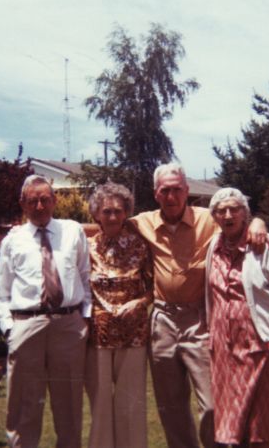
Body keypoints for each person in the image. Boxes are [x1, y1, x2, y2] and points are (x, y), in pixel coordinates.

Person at [129, 163, 268, 448]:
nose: (171, 196)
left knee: (212, 406)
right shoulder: (142, 223)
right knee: (171, 407)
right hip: (162, 322)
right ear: (156, 194)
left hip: (200, 320)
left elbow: (238, 216)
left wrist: (258, 222)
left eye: (177, 189)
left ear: (187, 191)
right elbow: (108, 222)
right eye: (165, 190)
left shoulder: (209, 219)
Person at [0, 175, 91, 448]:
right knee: (24, 406)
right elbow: (1, 293)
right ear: (22, 204)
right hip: (27, 325)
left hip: (68, 326)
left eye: (45, 199)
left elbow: (85, 277)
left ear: (54, 201)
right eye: (32, 201)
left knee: (69, 404)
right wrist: (10, 329)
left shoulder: (72, 231)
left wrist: (85, 318)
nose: (39, 206)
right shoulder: (13, 240)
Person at [205, 187, 269, 448]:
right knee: (230, 429)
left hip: (259, 351)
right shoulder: (212, 248)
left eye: (234, 209)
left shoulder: (263, 245)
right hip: (224, 354)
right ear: (214, 217)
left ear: (245, 214)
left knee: (258, 430)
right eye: (221, 210)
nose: (228, 215)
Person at [85, 182, 153, 448]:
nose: (112, 216)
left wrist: (138, 303)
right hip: (97, 335)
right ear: (96, 215)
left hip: (133, 334)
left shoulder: (140, 246)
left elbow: (154, 288)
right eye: (106, 211)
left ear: (126, 213)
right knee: (100, 405)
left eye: (117, 211)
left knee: (131, 406)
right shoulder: (87, 247)